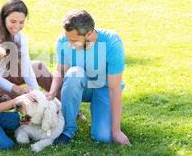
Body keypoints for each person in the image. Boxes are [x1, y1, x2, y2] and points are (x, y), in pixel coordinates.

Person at [46, 10, 131, 146]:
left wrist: (116, 131)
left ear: (89, 34)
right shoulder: (64, 40)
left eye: (73, 40)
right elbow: (60, 71)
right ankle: (67, 130)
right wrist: (52, 92)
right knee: (74, 74)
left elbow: (115, 89)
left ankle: (105, 119)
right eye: (67, 38)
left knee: (103, 137)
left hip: (104, 88)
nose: (69, 43)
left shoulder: (112, 43)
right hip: (80, 86)